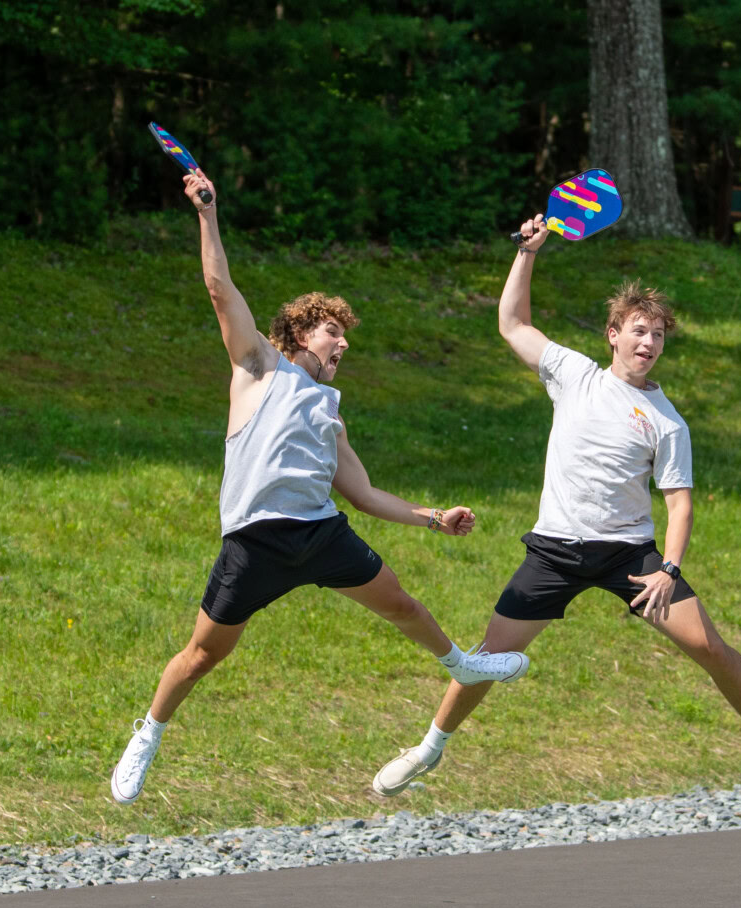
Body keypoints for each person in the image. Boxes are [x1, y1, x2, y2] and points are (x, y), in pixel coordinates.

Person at [110, 171, 529, 805]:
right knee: (202, 655)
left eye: (344, 335)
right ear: (302, 334)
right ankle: (149, 731)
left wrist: (433, 517)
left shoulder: (329, 409)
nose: (344, 342)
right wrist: (207, 213)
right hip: (256, 541)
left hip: (321, 533)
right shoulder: (258, 366)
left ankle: (460, 664)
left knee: (403, 606)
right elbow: (220, 288)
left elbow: (362, 493)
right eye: (334, 331)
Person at [371, 214, 741, 801]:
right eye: (638, 330)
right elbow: (512, 323)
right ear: (613, 333)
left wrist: (670, 568)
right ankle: (427, 751)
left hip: (630, 558)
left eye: (658, 335)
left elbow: (679, 503)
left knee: (711, 647)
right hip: (554, 553)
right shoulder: (573, 375)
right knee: (485, 659)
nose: (648, 343)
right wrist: (528, 253)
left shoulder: (667, 421)